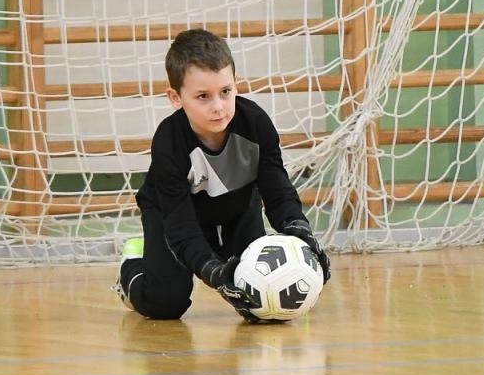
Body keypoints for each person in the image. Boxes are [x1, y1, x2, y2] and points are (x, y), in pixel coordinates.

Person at [115, 28, 331, 321]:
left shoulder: (255, 124)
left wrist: (300, 232)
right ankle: (135, 262)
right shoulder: (168, 143)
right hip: (174, 215)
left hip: (236, 207)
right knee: (166, 304)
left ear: (235, 86)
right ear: (175, 97)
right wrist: (212, 270)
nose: (218, 107)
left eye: (225, 92)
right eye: (203, 96)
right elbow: (181, 228)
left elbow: (277, 190)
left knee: (256, 306)